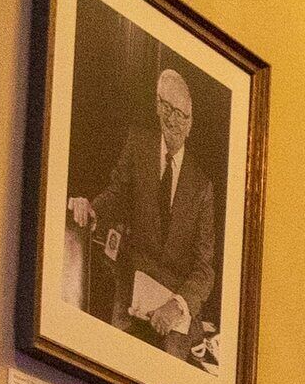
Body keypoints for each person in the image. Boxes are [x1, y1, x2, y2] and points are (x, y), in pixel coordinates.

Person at [71, 64, 219, 361]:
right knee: (115, 361)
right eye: (166, 107)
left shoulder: (202, 186)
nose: (172, 119)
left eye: (181, 114)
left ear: (191, 123)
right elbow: (115, 195)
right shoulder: (138, 145)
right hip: (132, 283)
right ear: (157, 105)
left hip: (175, 300)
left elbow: (204, 269)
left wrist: (177, 305)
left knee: (171, 379)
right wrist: (91, 209)